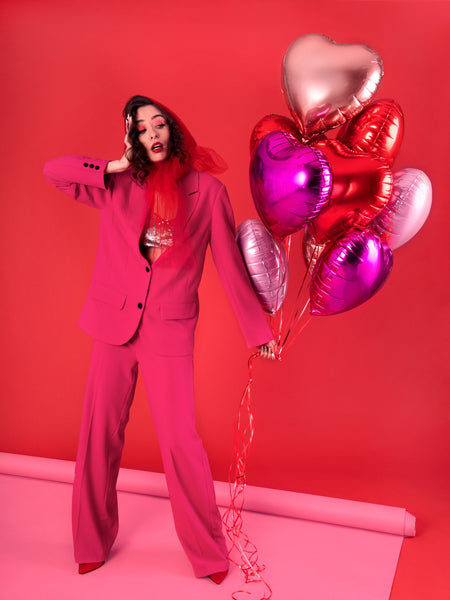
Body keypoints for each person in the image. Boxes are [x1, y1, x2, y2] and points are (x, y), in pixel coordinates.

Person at [43, 95, 276, 584]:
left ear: (173, 129)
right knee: (98, 435)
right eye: (140, 127)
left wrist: (257, 332)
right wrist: (113, 164)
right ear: (132, 138)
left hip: (169, 328)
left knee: (179, 441)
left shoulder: (208, 192)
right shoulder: (115, 184)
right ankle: (90, 543)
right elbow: (54, 171)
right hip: (112, 324)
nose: (152, 133)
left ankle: (208, 554)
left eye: (158, 124)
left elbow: (229, 267)